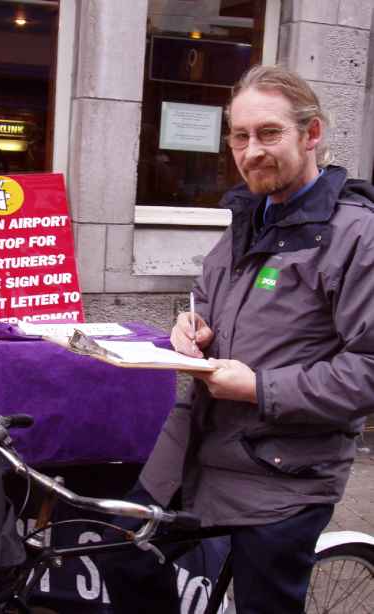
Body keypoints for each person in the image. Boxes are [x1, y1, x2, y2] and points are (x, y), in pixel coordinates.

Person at [102, 64, 374, 613]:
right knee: (123, 556)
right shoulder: (248, 218)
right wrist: (193, 325)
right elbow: (208, 300)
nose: (252, 152)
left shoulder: (356, 236)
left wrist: (259, 387)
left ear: (311, 133)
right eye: (240, 137)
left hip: (283, 473)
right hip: (192, 449)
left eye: (269, 133)